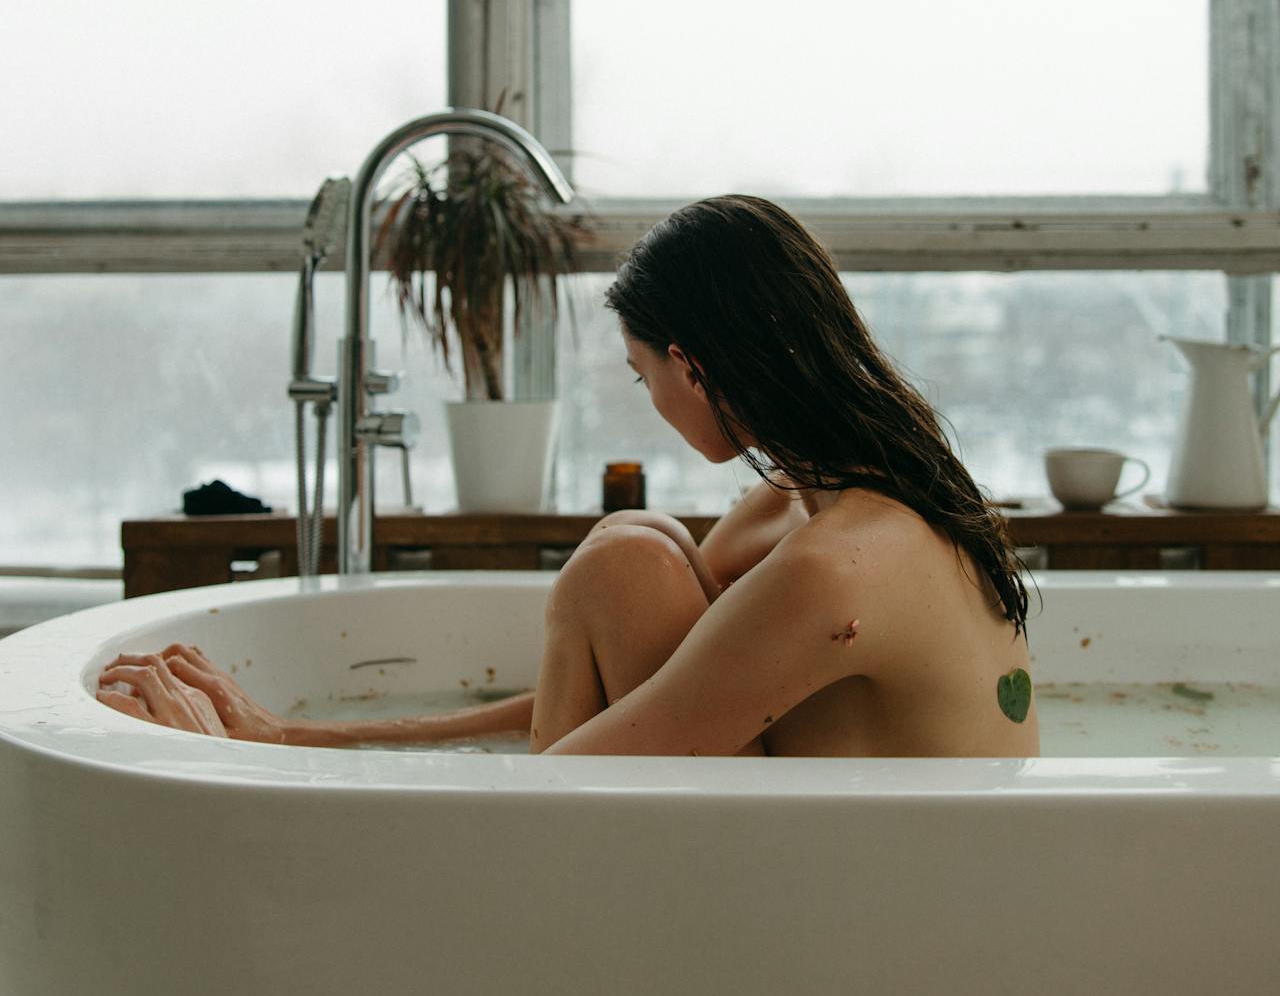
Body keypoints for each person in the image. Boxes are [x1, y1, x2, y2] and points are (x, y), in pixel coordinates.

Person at [98, 195, 1038, 758]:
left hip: (872, 917)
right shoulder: (820, 508)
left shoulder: (837, 568)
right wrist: (303, 738)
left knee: (623, 562)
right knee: (639, 549)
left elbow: (572, 772)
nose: (652, 403)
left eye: (646, 378)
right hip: (832, 873)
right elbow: (654, 707)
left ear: (695, 366)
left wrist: (266, 771)